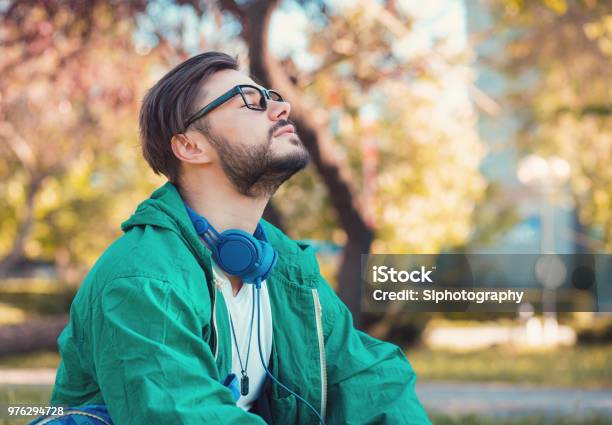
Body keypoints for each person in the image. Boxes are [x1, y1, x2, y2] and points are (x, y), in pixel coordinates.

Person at [47, 51, 432, 424]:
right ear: (190, 146)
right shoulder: (142, 279)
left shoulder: (288, 268)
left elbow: (369, 379)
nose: (281, 109)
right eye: (249, 101)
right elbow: (183, 415)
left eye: (273, 98)